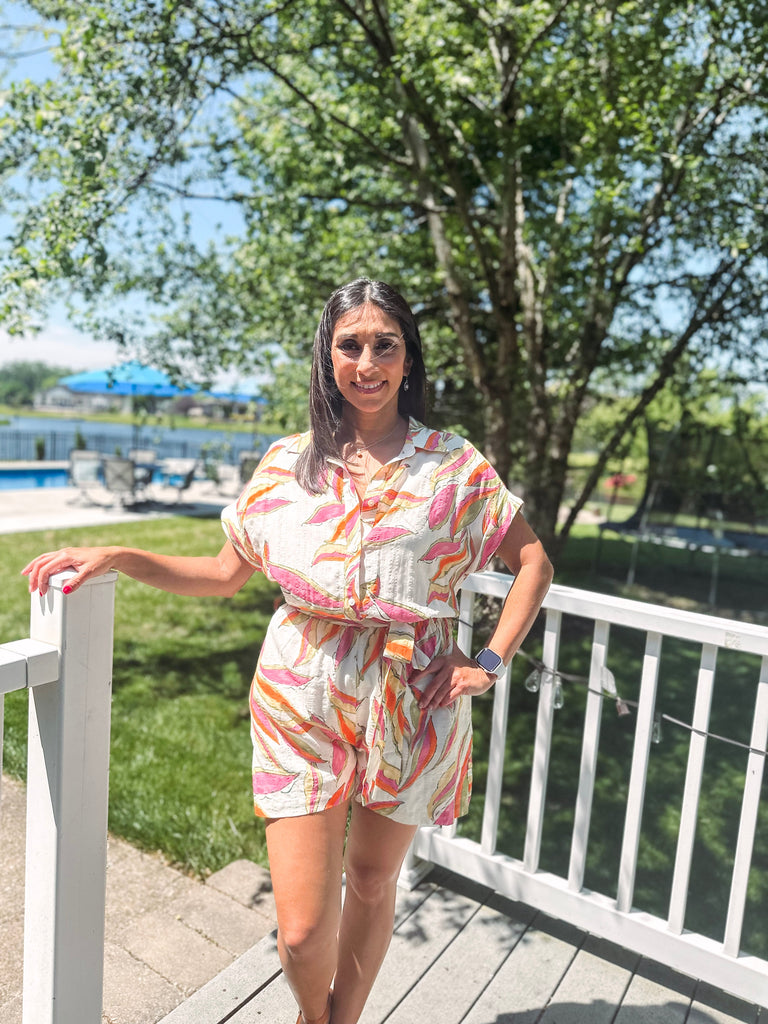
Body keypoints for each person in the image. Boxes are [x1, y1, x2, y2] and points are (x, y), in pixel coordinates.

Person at [23, 278, 553, 1024]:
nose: (366, 363)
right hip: (300, 692)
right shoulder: (287, 463)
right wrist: (122, 555)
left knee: (372, 880)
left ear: (408, 358)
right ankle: (314, 1015)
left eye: (385, 345)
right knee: (301, 931)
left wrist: (488, 662)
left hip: (413, 695)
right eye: (350, 345)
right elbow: (221, 573)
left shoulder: (453, 465)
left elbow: (533, 563)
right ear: (326, 356)